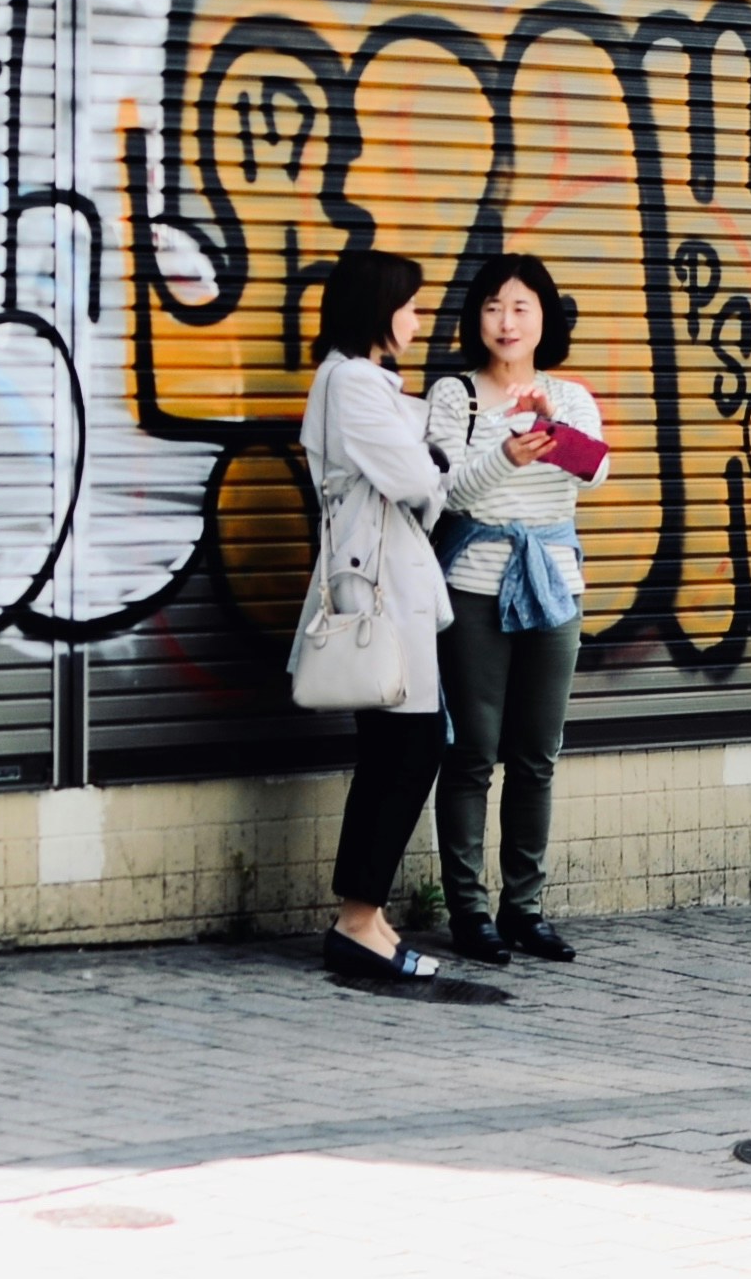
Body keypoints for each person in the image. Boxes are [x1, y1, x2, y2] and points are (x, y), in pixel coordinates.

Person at [424, 252, 608, 967]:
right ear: (476, 318)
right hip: (471, 586)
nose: (506, 321)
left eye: (522, 307)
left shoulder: (569, 395)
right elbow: (447, 491)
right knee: (470, 754)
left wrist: (551, 429)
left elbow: (597, 470)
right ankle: (469, 912)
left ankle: (525, 910)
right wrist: (507, 452)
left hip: (555, 588)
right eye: (494, 306)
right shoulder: (454, 396)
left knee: (537, 757)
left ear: (544, 319)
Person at [303, 246, 455, 987]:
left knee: (398, 751)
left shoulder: (357, 381)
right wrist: (432, 463)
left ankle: (366, 916)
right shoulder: (355, 382)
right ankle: (358, 920)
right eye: (410, 305)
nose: (418, 320)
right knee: (409, 748)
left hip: (387, 586)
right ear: (378, 308)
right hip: (380, 592)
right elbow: (416, 478)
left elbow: (422, 472)